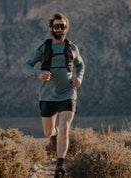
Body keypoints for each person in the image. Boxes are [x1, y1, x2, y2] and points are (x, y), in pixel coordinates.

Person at [22, 12, 85, 178]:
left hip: (68, 94)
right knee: (48, 132)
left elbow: (80, 65)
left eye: (62, 26)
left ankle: (59, 164)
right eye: (56, 26)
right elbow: (26, 65)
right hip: (47, 96)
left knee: (65, 128)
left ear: (66, 28)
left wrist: (79, 77)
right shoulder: (44, 48)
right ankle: (54, 135)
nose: (59, 29)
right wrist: (38, 73)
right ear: (51, 28)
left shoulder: (72, 48)